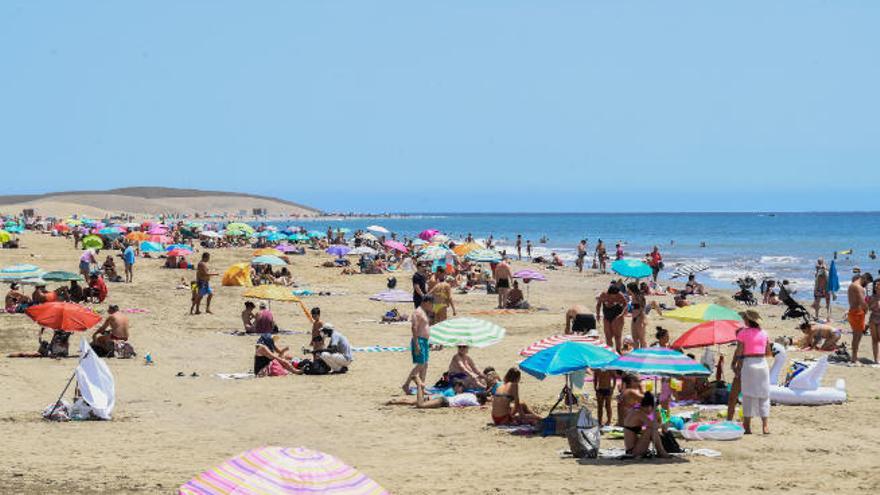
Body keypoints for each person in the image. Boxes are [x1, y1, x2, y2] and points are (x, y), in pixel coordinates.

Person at [734, 310, 771, 434]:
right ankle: (765, 426)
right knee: (764, 395)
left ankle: (747, 426)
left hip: (749, 363)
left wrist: (737, 365)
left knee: (747, 395)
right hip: (762, 363)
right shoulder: (764, 333)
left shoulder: (743, 333)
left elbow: (739, 351)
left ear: (747, 320)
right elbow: (768, 353)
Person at [387, 376, 486, 409]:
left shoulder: (467, 394)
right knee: (420, 405)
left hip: (438, 398)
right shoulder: (472, 399)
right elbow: (478, 405)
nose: (462, 389)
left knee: (412, 402)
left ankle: (394, 401)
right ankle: (419, 385)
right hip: (439, 399)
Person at [622, 392, 670, 458]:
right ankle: (661, 452)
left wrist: (657, 417)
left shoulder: (637, 409)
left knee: (651, 429)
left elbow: (646, 427)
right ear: (650, 407)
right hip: (633, 451)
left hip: (636, 448)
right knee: (651, 429)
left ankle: (661, 451)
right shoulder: (638, 413)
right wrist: (663, 423)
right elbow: (654, 425)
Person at [402, 295, 433, 394]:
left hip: (424, 341)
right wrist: (416, 344)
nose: (432, 306)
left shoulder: (423, 312)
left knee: (425, 365)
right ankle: (406, 384)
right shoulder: (417, 312)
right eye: (431, 304)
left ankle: (422, 387)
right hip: (418, 340)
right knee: (421, 364)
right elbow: (414, 328)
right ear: (427, 302)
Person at [596, 283, 627, 353]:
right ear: (609, 293)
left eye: (616, 294)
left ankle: (618, 351)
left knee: (617, 336)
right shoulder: (603, 295)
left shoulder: (619, 295)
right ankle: (610, 352)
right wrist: (597, 315)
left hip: (616, 316)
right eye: (614, 295)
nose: (615, 296)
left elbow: (625, 304)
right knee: (608, 336)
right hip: (606, 316)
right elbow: (598, 305)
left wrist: (622, 314)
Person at [849, 274, 868, 363]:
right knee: (857, 336)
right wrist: (867, 309)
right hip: (857, 313)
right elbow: (862, 302)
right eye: (867, 282)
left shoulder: (852, 285)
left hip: (853, 312)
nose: (866, 285)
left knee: (856, 335)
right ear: (864, 278)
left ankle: (854, 356)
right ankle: (854, 358)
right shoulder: (858, 287)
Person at [628, 282, 648, 349]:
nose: (628, 291)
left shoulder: (639, 296)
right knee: (635, 338)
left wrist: (644, 318)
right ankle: (636, 353)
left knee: (642, 338)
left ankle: (644, 353)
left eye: (628, 289)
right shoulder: (633, 296)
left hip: (640, 317)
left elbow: (643, 306)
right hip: (634, 318)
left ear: (631, 289)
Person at [869, 280, 880, 364]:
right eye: (875, 285)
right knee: (874, 340)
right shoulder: (871, 297)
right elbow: (867, 308)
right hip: (873, 319)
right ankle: (876, 360)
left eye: (878, 284)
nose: (876, 286)